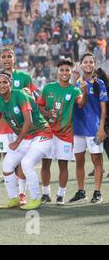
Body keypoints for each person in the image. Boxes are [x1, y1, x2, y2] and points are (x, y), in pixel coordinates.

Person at [0, 71, 53, 210]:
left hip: (42, 134)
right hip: (26, 138)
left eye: (5, 82)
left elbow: (28, 122)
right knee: (7, 166)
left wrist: (17, 142)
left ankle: (35, 199)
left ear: (10, 83)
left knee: (26, 163)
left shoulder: (20, 95)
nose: (2, 85)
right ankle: (15, 198)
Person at [37, 58, 87, 205]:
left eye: (67, 70)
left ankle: (61, 195)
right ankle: (46, 194)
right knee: (45, 164)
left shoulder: (74, 90)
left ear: (71, 73)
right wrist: (46, 113)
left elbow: (81, 104)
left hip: (65, 134)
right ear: (57, 72)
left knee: (63, 165)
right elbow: (39, 106)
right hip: (48, 133)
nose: (65, 73)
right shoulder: (48, 88)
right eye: (62, 70)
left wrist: (84, 92)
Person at [0, 46, 37, 204]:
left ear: (14, 58)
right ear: (0, 59)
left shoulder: (24, 76)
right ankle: (13, 196)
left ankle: (21, 193)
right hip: (4, 125)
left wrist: (29, 93)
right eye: (3, 57)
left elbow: (34, 96)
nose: (6, 59)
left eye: (9, 56)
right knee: (8, 159)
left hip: (22, 127)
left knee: (23, 159)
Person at [69, 53, 107, 204]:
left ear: (94, 64)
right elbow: (71, 100)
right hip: (78, 128)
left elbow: (104, 108)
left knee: (96, 159)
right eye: (85, 62)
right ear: (81, 64)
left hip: (93, 128)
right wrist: (74, 79)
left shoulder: (99, 83)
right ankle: (81, 191)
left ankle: (97, 192)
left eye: (91, 62)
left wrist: (101, 127)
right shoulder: (77, 83)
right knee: (79, 160)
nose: (88, 64)